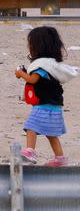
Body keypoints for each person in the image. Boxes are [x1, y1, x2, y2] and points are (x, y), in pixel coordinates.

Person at [15, 26, 78, 167]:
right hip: (54, 106)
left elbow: (33, 80)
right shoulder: (52, 65)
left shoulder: (41, 65)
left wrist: (21, 74)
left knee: (31, 126)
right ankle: (60, 158)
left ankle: (30, 151)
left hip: (44, 106)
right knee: (51, 134)